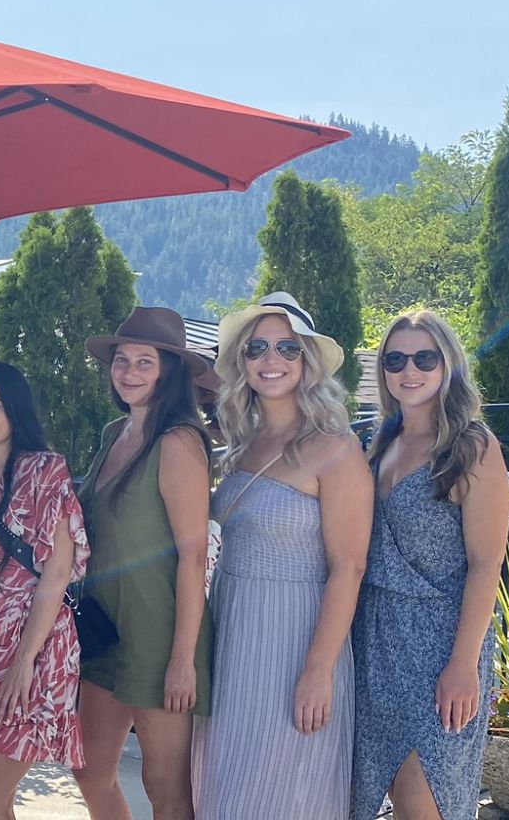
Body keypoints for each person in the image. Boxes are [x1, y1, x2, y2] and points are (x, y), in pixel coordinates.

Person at [193, 292, 371, 820]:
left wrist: (317, 672)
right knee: (228, 791)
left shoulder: (336, 448)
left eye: (287, 348)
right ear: (242, 362)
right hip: (235, 636)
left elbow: (349, 567)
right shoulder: (241, 445)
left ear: (306, 360)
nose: (270, 360)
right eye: (257, 348)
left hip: (298, 640)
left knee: (286, 792)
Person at [350, 312, 509, 820]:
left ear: (449, 365)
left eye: (425, 357)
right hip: (374, 642)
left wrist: (463, 665)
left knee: (427, 796)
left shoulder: (472, 446)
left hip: (442, 642)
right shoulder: (376, 445)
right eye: (395, 359)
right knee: (385, 789)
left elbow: (488, 564)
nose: (409, 370)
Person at [71, 307, 216, 820]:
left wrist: (182, 660)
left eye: (144, 362)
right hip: (105, 627)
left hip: (161, 633)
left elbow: (193, 555)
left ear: (169, 372)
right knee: (87, 769)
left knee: (165, 786)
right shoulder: (114, 434)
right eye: (121, 361)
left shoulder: (178, 442)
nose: (129, 372)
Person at [0, 361, 89, 818]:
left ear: (15, 412)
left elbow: (57, 572)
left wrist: (24, 661)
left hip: (36, 649)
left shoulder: (45, 471)